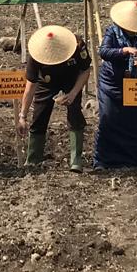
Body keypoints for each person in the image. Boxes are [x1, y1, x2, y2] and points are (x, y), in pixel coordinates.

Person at [93, 0, 137, 170]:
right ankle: (102, 161)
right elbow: (104, 51)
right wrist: (124, 51)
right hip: (112, 83)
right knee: (108, 119)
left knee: (134, 122)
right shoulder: (113, 31)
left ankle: (131, 160)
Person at [19, 25, 91, 172]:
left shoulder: (77, 45)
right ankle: (33, 159)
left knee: (75, 111)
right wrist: (22, 116)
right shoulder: (35, 53)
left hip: (72, 78)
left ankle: (76, 159)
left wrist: (73, 94)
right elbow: (30, 86)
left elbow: (85, 70)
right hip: (46, 81)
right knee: (39, 114)